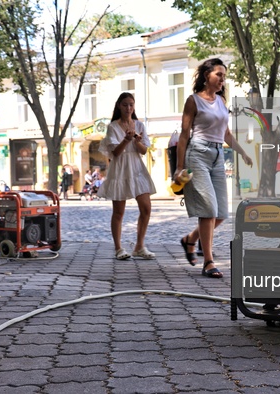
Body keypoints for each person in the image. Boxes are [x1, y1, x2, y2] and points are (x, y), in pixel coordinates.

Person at [174, 58, 253, 278]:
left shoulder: (220, 101)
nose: (222, 79)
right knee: (208, 209)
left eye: (224, 76)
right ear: (206, 75)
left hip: (218, 156)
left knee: (221, 213)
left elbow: (226, 134)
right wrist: (179, 167)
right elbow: (184, 134)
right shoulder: (193, 101)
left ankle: (190, 239)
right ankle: (208, 261)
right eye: (219, 74)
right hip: (197, 155)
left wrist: (243, 152)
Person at [97, 92, 156, 261]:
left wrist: (136, 140)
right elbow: (115, 153)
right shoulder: (113, 127)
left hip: (137, 168)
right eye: (125, 105)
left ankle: (139, 246)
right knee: (118, 212)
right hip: (121, 168)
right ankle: (118, 248)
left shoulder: (139, 125)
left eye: (131, 104)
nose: (128, 108)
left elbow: (144, 150)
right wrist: (126, 139)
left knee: (146, 208)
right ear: (118, 106)